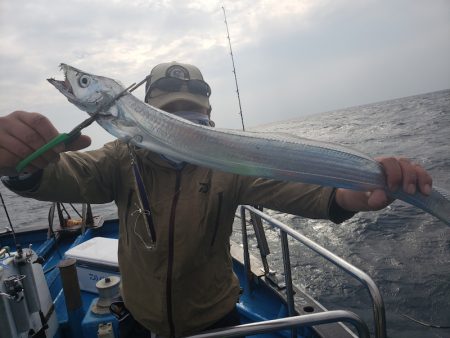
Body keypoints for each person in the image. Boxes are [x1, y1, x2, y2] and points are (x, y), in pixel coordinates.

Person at [1, 62, 432, 337]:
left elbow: (308, 192)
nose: (181, 123)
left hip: (215, 320)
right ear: (147, 114)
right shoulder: (121, 157)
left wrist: (357, 194)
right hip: (139, 317)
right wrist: (22, 163)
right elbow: (63, 176)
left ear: (209, 118)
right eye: (169, 114)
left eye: (194, 115)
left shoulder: (230, 163)